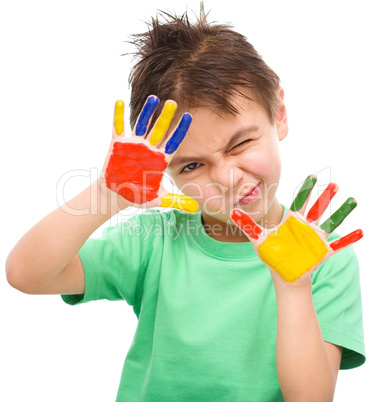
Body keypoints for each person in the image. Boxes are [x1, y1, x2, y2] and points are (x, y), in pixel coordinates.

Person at [5, 6, 365, 401]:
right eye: (192, 165)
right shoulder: (156, 240)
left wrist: (293, 287)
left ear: (278, 112)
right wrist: (109, 194)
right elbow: (27, 275)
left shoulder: (325, 260)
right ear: (167, 172)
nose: (227, 178)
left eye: (241, 143)